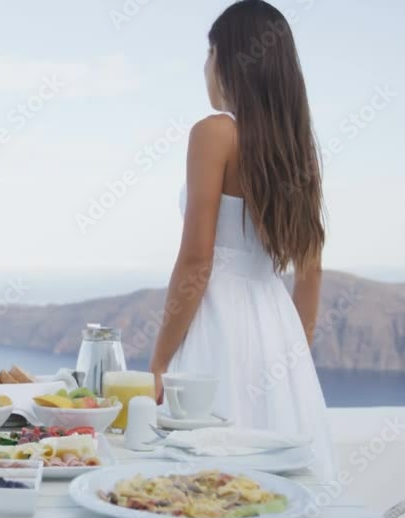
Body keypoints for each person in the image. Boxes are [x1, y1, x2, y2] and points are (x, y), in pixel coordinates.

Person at [149, 0, 334, 478]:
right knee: (276, 491)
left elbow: (196, 261)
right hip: (279, 331)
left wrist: (158, 362)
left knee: (204, 484)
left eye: (209, 53)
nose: (204, 67)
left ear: (230, 60)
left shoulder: (215, 133)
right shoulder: (297, 150)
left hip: (219, 325)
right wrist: (292, 355)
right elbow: (310, 270)